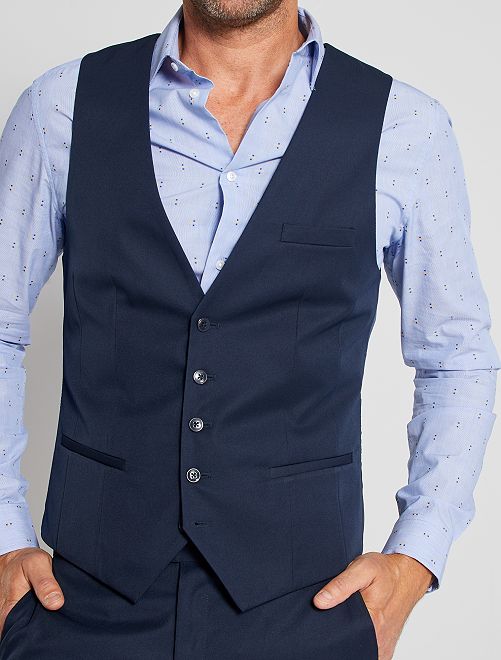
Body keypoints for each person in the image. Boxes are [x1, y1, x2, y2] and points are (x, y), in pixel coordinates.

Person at [0, 2, 499, 658]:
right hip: (80, 604)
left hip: (306, 607)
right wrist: (4, 537)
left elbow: (456, 356)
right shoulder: (59, 107)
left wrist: (415, 559)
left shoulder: (405, 127)